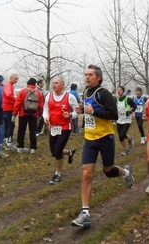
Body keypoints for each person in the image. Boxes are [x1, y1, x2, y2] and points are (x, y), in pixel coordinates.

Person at [71, 64, 134, 228]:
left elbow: (113, 114)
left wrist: (93, 112)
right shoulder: (85, 92)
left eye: (90, 75)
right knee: (86, 173)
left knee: (108, 171)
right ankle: (85, 213)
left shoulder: (103, 93)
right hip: (90, 139)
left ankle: (126, 172)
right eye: (86, 75)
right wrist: (81, 111)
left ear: (98, 77)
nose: (87, 77)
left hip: (105, 138)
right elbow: (89, 110)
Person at [43, 77, 77, 184]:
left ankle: (57, 174)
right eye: (52, 83)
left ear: (62, 85)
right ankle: (69, 152)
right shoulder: (49, 95)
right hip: (53, 127)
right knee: (54, 151)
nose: (53, 85)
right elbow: (45, 109)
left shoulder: (69, 97)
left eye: (56, 83)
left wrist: (70, 115)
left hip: (65, 126)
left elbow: (77, 111)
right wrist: (46, 117)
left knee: (58, 150)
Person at [13, 78, 44, 153]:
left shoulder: (22, 91)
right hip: (34, 114)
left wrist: (14, 114)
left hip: (23, 113)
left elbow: (17, 103)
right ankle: (33, 147)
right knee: (33, 131)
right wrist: (40, 114)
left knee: (21, 130)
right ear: (35, 84)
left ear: (27, 83)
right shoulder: (39, 93)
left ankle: (20, 146)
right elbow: (41, 106)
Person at [116, 86, 137, 155]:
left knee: (122, 134)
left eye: (120, 89)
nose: (118, 91)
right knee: (120, 137)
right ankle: (127, 148)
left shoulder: (128, 99)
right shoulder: (116, 100)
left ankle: (129, 142)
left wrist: (130, 112)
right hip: (119, 120)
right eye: (117, 89)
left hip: (127, 120)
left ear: (123, 91)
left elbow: (135, 106)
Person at [2, 73, 19, 149]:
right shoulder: (8, 85)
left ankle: (5, 140)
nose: (16, 80)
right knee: (10, 124)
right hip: (8, 107)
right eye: (15, 79)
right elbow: (8, 95)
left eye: (17, 79)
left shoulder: (11, 86)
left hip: (8, 107)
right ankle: (8, 141)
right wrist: (16, 99)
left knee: (7, 124)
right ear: (11, 77)